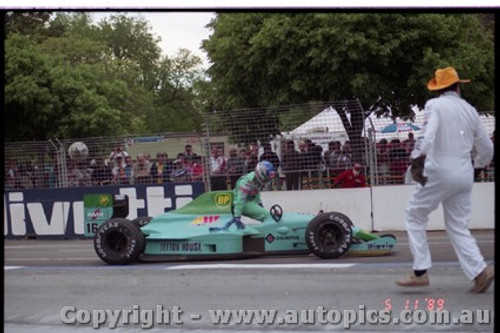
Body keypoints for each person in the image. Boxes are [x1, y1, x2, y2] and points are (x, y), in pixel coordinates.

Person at [395, 66, 494, 293]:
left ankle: (420, 272)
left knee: (414, 214)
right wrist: (477, 168)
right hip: (464, 172)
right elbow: (487, 148)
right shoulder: (470, 110)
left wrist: (416, 159)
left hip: (440, 169)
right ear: (458, 86)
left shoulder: (434, 105)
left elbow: (427, 135)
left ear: (438, 89)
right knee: (458, 226)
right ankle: (480, 272)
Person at [211, 160, 275, 231]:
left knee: (267, 215)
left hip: (249, 201)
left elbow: (256, 193)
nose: (268, 179)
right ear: (261, 173)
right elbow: (240, 200)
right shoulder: (246, 182)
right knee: (268, 216)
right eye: (267, 177)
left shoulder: (256, 179)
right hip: (241, 203)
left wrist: (260, 205)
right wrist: (237, 217)